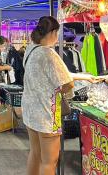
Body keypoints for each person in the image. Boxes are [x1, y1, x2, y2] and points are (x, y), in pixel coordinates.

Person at [23, 16, 74, 175]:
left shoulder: (30, 49)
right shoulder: (49, 54)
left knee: (35, 153)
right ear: (52, 32)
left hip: (31, 111)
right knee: (49, 162)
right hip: (47, 114)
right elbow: (67, 83)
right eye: (57, 32)